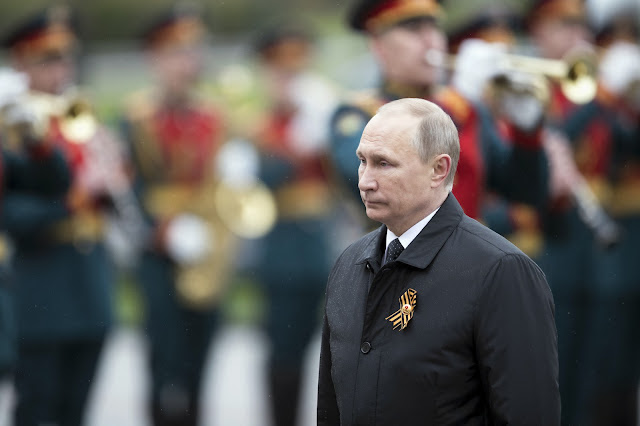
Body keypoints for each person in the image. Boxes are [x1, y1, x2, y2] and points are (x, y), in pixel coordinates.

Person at [317, 98, 560, 425]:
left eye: (384, 164)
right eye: (363, 161)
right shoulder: (350, 263)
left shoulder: (501, 271)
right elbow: (331, 406)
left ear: (439, 170)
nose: (365, 181)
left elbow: (527, 412)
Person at [330, 0, 548, 235]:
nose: (430, 40)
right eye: (414, 30)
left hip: (469, 252)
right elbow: (382, 183)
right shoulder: (358, 114)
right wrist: (458, 102)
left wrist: (527, 133)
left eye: (434, 27)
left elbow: (526, 194)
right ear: (379, 46)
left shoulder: (466, 108)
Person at [1, 6, 121, 425]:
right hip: (40, 288)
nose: (61, 70)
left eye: (66, 58)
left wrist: (113, 178)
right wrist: (71, 201)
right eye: (48, 60)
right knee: (37, 411)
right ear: (22, 63)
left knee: (77, 412)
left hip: (90, 285)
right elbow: (11, 213)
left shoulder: (79, 116)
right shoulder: (9, 126)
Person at [120, 4, 232, 425]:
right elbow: (126, 188)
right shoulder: (136, 117)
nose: (188, 62)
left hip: (208, 246)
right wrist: (158, 231)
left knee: (202, 356)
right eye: (177, 53)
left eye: (193, 51)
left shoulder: (214, 115)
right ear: (155, 59)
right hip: (159, 251)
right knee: (162, 356)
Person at [249, 25, 338, 426]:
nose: (290, 81)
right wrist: (297, 144)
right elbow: (258, 182)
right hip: (281, 250)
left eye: (296, 72)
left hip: (324, 246)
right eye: (281, 72)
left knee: (335, 353)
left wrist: (327, 129)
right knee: (284, 354)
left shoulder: (324, 116)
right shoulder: (259, 126)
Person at [560, 13, 640, 424]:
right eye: (567, 27)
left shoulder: (602, 97)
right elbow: (558, 136)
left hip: (600, 229)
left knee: (602, 354)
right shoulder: (557, 88)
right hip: (557, 232)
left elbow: (626, 146)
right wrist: (604, 92)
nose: (579, 37)